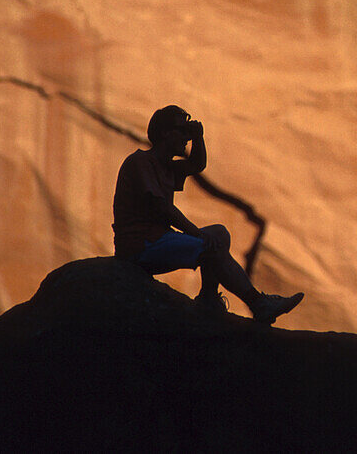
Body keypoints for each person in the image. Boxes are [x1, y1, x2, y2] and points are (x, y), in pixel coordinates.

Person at [112, 105, 303, 324]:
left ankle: (209, 298)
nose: (186, 137)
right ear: (165, 133)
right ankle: (258, 303)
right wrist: (196, 235)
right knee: (211, 244)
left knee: (219, 234)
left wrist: (198, 137)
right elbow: (162, 208)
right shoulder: (140, 162)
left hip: (156, 241)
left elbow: (196, 164)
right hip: (141, 246)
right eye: (181, 131)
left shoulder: (166, 168)